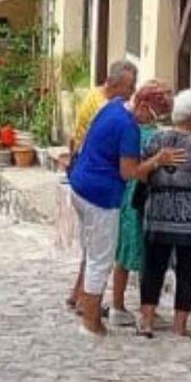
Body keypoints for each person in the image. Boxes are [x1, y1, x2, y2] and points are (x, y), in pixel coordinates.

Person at [69, 61, 184, 336]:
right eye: (154, 115)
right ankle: (91, 321)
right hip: (101, 196)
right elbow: (129, 171)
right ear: (144, 105)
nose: (152, 122)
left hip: (80, 185)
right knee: (101, 258)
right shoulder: (129, 128)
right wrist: (158, 159)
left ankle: (87, 308)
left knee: (91, 252)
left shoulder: (111, 107)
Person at [138, 89, 191, 338]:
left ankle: (147, 321)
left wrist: (156, 163)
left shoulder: (155, 142)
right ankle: (179, 326)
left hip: (158, 215)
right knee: (187, 271)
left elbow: (140, 174)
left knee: (153, 268)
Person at [67, 60, 136, 313]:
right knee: (98, 254)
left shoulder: (97, 98)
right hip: (98, 185)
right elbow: (125, 166)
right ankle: (89, 309)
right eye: (129, 86)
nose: (132, 92)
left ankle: (79, 296)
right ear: (115, 83)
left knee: (90, 250)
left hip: (83, 177)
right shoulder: (109, 107)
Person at [109, 82, 173, 327]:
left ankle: (120, 306)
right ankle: (140, 308)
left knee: (128, 253)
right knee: (140, 253)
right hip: (139, 196)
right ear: (145, 107)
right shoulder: (146, 135)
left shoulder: (130, 128)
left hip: (129, 196)